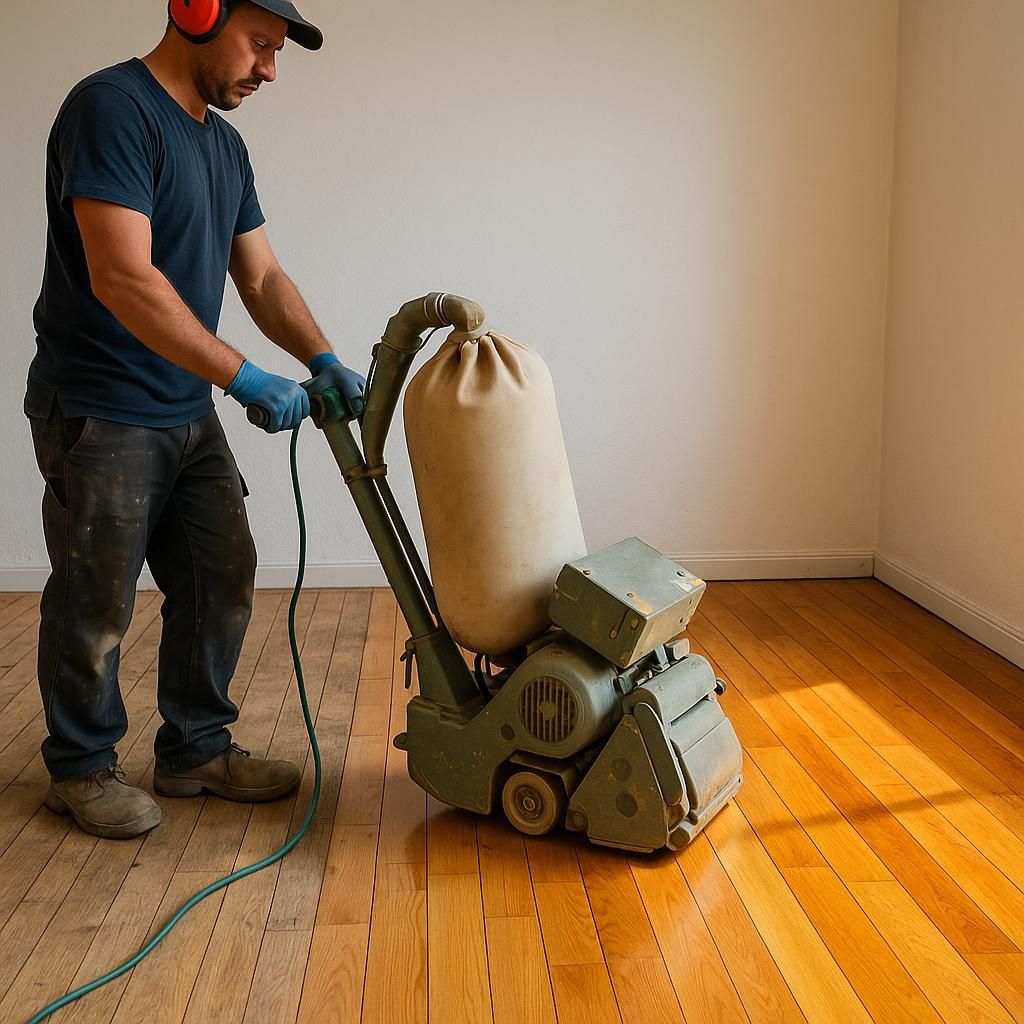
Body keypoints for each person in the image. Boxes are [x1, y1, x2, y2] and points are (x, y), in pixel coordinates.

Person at [24, 0, 364, 839]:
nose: (269, 70)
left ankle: (195, 750)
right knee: (95, 594)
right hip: (101, 406)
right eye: (260, 45)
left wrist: (319, 354)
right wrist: (244, 374)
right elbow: (121, 277)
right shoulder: (111, 109)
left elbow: (262, 277)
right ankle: (79, 768)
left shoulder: (223, 143)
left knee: (221, 573)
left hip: (183, 405)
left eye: (277, 53)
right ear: (197, 10)